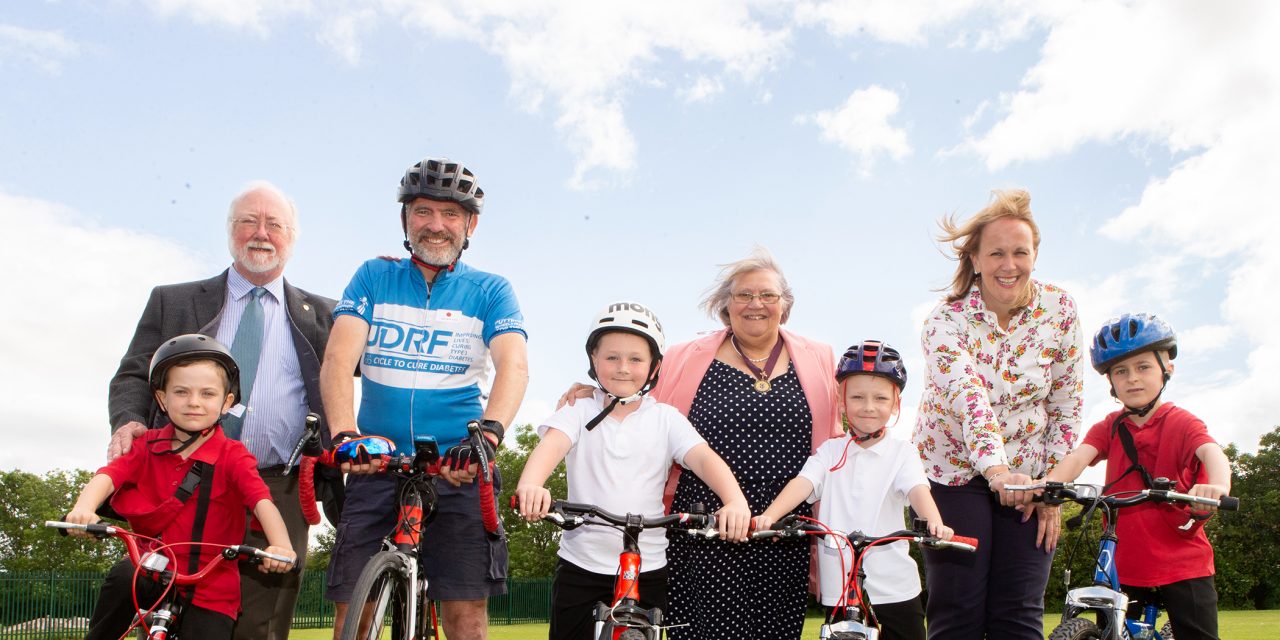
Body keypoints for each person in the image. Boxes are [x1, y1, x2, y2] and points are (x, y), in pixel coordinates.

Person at [563, 247, 842, 639]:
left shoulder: (821, 358)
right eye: (743, 295)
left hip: (783, 531)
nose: (755, 304)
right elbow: (634, 392)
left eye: (767, 295)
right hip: (704, 530)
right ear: (725, 306)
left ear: (785, 304)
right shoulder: (683, 357)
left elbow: (839, 437)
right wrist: (594, 391)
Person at [107, 181, 339, 640]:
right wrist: (129, 422)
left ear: (292, 236)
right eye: (249, 221)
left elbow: (361, 380)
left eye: (274, 223)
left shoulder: (328, 315)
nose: (261, 232)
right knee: (164, 603)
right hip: (181, 474)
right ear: (230, 231)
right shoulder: (172, 301)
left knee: (261, 624)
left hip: (277, 485)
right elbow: (134, 373)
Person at [321, 157, 529, 640]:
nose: (436, 225)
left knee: (466, 617)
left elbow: (513, 366)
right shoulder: (373, 276)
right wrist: (345, 436)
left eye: (451, 214)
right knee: (354, 612)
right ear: (405, 219)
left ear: (471, 223)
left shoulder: (492, 290)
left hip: (459, 463)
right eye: (423, 212)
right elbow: (336, 361)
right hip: (378, 460)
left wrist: (489, 438)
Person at [515, 301, 752, 640]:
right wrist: (532, 485)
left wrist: (735, 502)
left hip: (648, 565)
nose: (623, 367)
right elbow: (551, 445)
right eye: (611, 357)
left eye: (636, 359)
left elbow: (703, 458)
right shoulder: (579, 410)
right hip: (582, 565)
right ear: (593, 361)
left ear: (654, 367)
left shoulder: (666, 419)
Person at [913, 189, 1083, 639]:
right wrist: (996, 470)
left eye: (1020, 252)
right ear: (974, 259)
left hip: (1030, 476)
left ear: (1035, 254)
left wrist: (1052, 489)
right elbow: (970, 398)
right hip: (955, 471)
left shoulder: (1059, 309)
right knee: (958, 607)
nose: (1009, 265)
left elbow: (1066, 403)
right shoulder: (945, 322)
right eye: (996, 253)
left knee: (1019, 608)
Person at [70, 335, 296, 640]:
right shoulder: (147, 445)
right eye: (181, 392)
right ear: (162, 399)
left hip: (212, 583)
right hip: (151, 567)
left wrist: (280, 545)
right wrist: (83, 508)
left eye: (207, 393)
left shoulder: (233, 455)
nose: (194, 402)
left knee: (210, 629)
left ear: (226, 402)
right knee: (122, 580)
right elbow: (109, 476)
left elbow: (261, 501)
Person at [1039, 313, 1231, 640]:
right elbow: (1078, 457)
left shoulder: (1181, 422)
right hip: (1122, 565)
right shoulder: (1110, 426)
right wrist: (1046, 486)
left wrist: (1218, 487)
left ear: (1166, 367)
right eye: (1120, 371)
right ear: (1111, 381)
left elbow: (1212, 452)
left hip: (1183, 563)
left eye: (1143, 367)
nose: (1132, 379)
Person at [755, 340, 953, 640]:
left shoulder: (902, 452)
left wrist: (934, 522)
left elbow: (917, 489)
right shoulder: (830, 451)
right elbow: (803, 483)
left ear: (896, 404)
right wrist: (769, 516)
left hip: (894, 584)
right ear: (842, 402)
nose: (869, 406)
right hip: (841, 585)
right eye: (858, 397)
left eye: (881, 398)